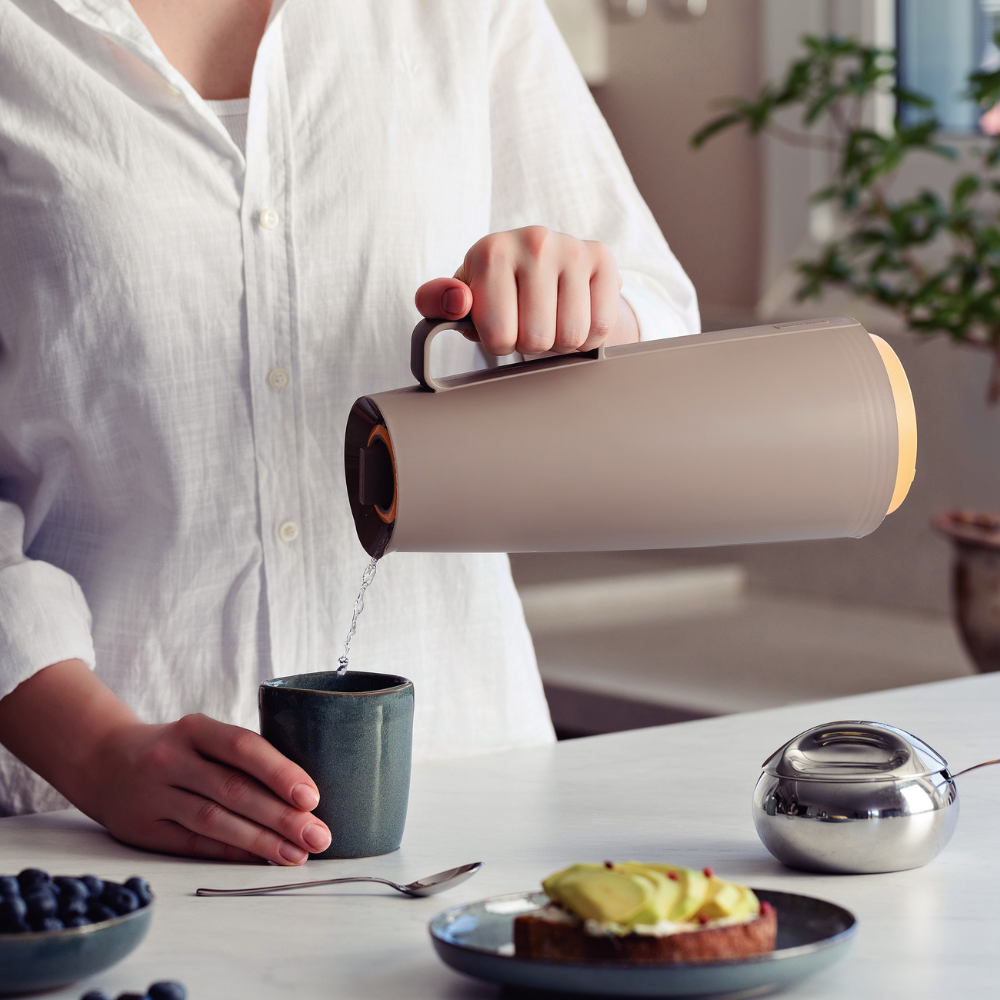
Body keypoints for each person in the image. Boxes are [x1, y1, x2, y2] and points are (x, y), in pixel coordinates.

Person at [0, 0, 698, 864]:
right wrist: (97, 752)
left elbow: (663, 327)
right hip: (97, 838)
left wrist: (592, 308)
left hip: (471, 809)